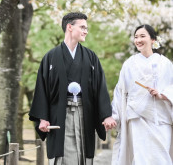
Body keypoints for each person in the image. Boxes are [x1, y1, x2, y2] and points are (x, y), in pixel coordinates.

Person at [29, 12, 116, 165]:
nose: (86, 31)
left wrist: (106, 115)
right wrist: (43, 118)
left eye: (86, 28)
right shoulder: (50, 57)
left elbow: (100, 87)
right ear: (69, 27)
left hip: (85, 114)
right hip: (59, 115)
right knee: (61, 156)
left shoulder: (91, 57)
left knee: (83, 155)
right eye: (82, 27)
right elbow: (42, 89)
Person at [110, 24, 173, 164]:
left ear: (153, 40)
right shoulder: (129, 64)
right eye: (136, 37)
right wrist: (114, 116)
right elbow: (120, 91)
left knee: (161, 158)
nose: (138, 40)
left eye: (142, 36)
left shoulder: (165, 64)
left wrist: (162, 94)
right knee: (141, 159)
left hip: (160, 119)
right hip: (137, 118)